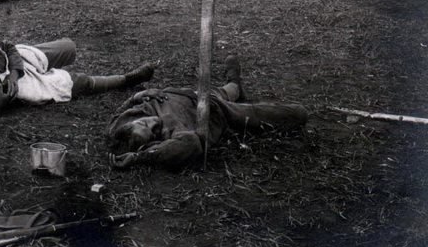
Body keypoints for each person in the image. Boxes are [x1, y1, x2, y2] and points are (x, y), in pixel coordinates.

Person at [0, 2, 155, 122]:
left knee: (67, 48)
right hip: (17, 87)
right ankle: (127, 80)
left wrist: (14, 72)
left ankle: (45, 66)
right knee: (73, 82)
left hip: (16, 69)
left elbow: (8, 46)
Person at [107, 55, 308, 170]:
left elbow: (121, 110)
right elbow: (190, 144)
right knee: (298, 114)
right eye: (153, 131)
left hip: (186, 94)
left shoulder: (118, 127)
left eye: (143, 123)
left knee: (228, 90)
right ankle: (235, 85)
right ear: (152, 141)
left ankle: (234, 84)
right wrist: (139, 158)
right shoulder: (171, 139)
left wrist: (139, 95)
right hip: (214, 110)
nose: (152, 122)